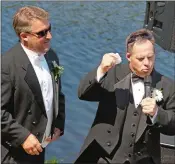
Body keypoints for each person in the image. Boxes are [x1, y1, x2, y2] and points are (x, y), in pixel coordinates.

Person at [75, 29, 175, 164]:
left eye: (150, 57)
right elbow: (83, 94)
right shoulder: (112, 74)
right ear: (128, 56)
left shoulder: (167, 85)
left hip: (144, 159)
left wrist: (157, 113)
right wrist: (101, 70)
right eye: (140, 58)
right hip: (104, 157)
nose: (147, 63)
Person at [1, 6, 65, 164]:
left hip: (39, 147)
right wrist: (23, 137)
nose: (49, 36)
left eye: (49, 29)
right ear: (24, 36)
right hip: (13, 152)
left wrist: (58, 124)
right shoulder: (6, 65)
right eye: (42, 33)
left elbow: (58, 94)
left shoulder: (51, 56)